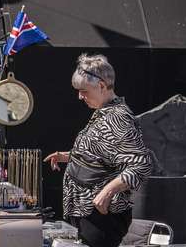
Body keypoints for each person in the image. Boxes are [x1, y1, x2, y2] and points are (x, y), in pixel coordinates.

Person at [45, 54, 152, 247]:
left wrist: (108, 192)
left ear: (102, 86)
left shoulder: (117, 118)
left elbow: (141, 165)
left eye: (84, 91)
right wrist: (69, 157)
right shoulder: (104, 112)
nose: (80, 96)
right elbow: (104, 153)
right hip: (87, 214)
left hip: (100, 217)